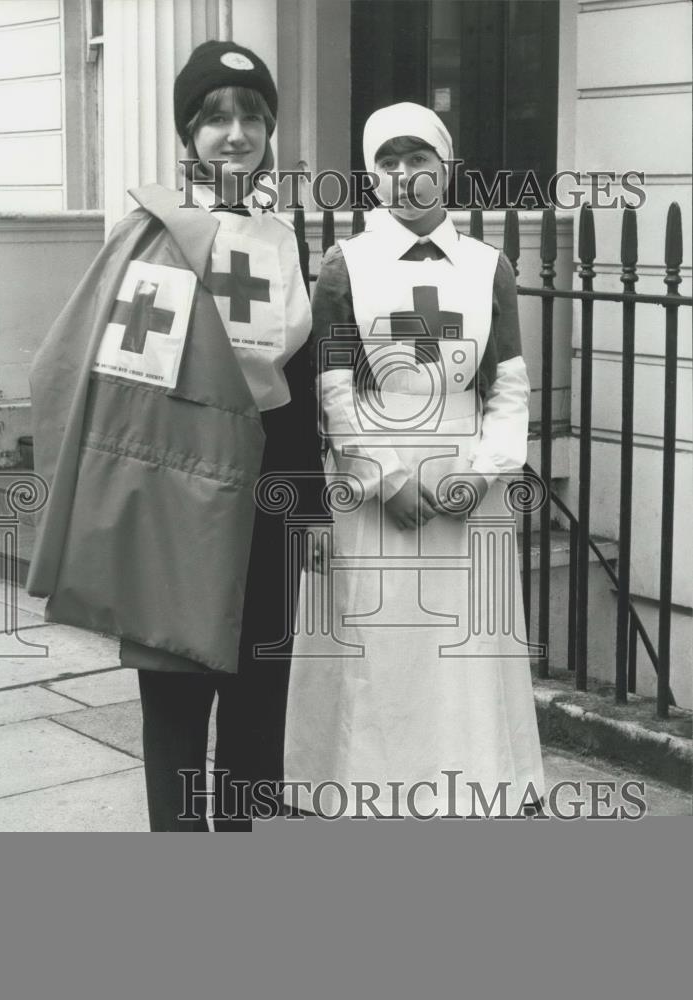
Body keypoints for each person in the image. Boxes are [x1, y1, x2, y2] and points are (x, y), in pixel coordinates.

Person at [27, 40, 322, 830]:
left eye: (252, 117)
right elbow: (120, 395)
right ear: (187, 136)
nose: (235, 133)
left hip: (265, 505)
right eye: (215, 118)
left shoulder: (286, 240)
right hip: (176, 506)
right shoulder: (149, 237)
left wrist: (306, 512)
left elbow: (296, 388)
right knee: (177, 708)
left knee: (260, 708)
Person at [283, 102, 546, 820]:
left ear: (445, 168)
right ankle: (365, 784)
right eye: (388, 164)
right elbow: (333, 384)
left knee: (463, 646)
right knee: (381, 639)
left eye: (418, 160)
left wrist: (484, 470)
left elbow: (508, 382)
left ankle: (472, 781)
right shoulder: (344, 266)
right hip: (378, 471)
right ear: (372, 178)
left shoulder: (487, 266)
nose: (405, 177)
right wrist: (384, 477)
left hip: (465, 474)